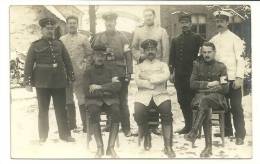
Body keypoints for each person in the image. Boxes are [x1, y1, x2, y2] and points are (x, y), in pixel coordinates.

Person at [24, 17, 75, 143]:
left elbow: (67, 60)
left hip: (59, 81)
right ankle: (42, 135)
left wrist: (71, 76)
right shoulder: (35, 45)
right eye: (47, 29)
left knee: (61, 109)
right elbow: (29, 64)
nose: (50, 31)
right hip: (42, 82)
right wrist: (28, 82)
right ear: (42, 30)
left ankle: (65, 135)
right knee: (43, 110)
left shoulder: (59, 44)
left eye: (52, 29)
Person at [184, 42, 229, 157]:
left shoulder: (221, 66)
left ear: (214, 52)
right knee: (205, 105)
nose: (206, 54)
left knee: (205, 102)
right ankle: (208, 147)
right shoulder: (197, 65)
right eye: (204, 52)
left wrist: (213, 88)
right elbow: (192, 84)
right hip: (200, 99)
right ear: (201, 53)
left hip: (217, 99)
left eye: (209, 52)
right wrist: (209, 84)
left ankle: (194, 131)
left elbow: (225, 88)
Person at [92, 12, 133, 137]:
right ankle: (110, 125)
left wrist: (129, 72)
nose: (109, 23)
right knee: (108, 99)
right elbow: (94, 55)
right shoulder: (99, 37)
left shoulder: (123, 37)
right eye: (107, 22)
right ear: (105, 23)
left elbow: (128, 56)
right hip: (104, 74)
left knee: (122, 101)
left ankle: (126, 128)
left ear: (115, 22)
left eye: (112, 21)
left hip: (120, 73)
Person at [134, 39, 175, 158]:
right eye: (147, 50)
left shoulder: (163, 65)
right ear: (144, 52)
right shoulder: (139, 66)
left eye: (152, 49)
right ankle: (147, 135)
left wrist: (148, 77)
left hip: (160, 94)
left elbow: (166, 76)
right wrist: (153, 82)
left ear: (156, 50)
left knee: (167, 112)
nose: (150, 51)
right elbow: (138, 81)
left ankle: (168, 146)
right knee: (138, 111)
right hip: (144, 95)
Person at [209, 10, 246, 145]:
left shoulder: (235, 39)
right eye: (217, 21)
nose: (219, 24)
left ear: (227, 22)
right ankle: (227, 130)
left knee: (236, 106)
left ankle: (240, 134)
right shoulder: (213, 40)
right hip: (221, 79)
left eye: (222, 21)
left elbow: (240, 60)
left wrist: (239, 77)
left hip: (233, 78)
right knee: (223, 106)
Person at [132, 8, 170, 135]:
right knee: (144, 96)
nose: (148, 18)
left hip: (159, 69)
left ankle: (154, 126)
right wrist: (140, 57)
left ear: (154, 17)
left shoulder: (162, 31)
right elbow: (134, 48)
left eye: (150, 15)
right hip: (144, 68)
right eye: (146, 15)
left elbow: (165, 51)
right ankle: (143, 126)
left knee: (158, 96)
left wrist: (164, 67)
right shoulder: (138, 31)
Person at [169, 12, 205, 134]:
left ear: (190, 24)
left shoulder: (197, 38)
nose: (184, 25)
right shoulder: (175, 40)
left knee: (192, 101)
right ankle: (188, 126)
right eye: (182, 23)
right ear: (180, 24)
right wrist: (171, 72)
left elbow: (205, 52)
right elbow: (171, 58)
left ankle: (195, 127)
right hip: (179, 76)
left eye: (187, 22)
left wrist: (199, 65)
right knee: (182, 101)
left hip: (193, 75)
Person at [83, 45, 121, 158]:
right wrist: (108, 90)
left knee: (116, 111)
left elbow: (118, 86)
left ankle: (111, 147)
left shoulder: (112, 69)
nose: (100, 58)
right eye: (97, 55)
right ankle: (100, 147)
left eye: (102, 55)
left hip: (110, 100)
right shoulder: (88, 71)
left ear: (105, 56)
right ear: (93, 56)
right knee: (93, 112)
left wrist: (100, 87)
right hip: (93, 100)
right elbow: (86, 91)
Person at [60, 15, 93, 133]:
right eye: (70, 23)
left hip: (80, 74)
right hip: (66, 74)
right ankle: (71, 124)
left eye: (74, 23)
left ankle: (85, 125)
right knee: (68, 99)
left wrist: (85, 67)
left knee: (81, 98)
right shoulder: (62, 39)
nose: (72, 25)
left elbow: (89, 55)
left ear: (77, 24)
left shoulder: (84, 38)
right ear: (67, 25)